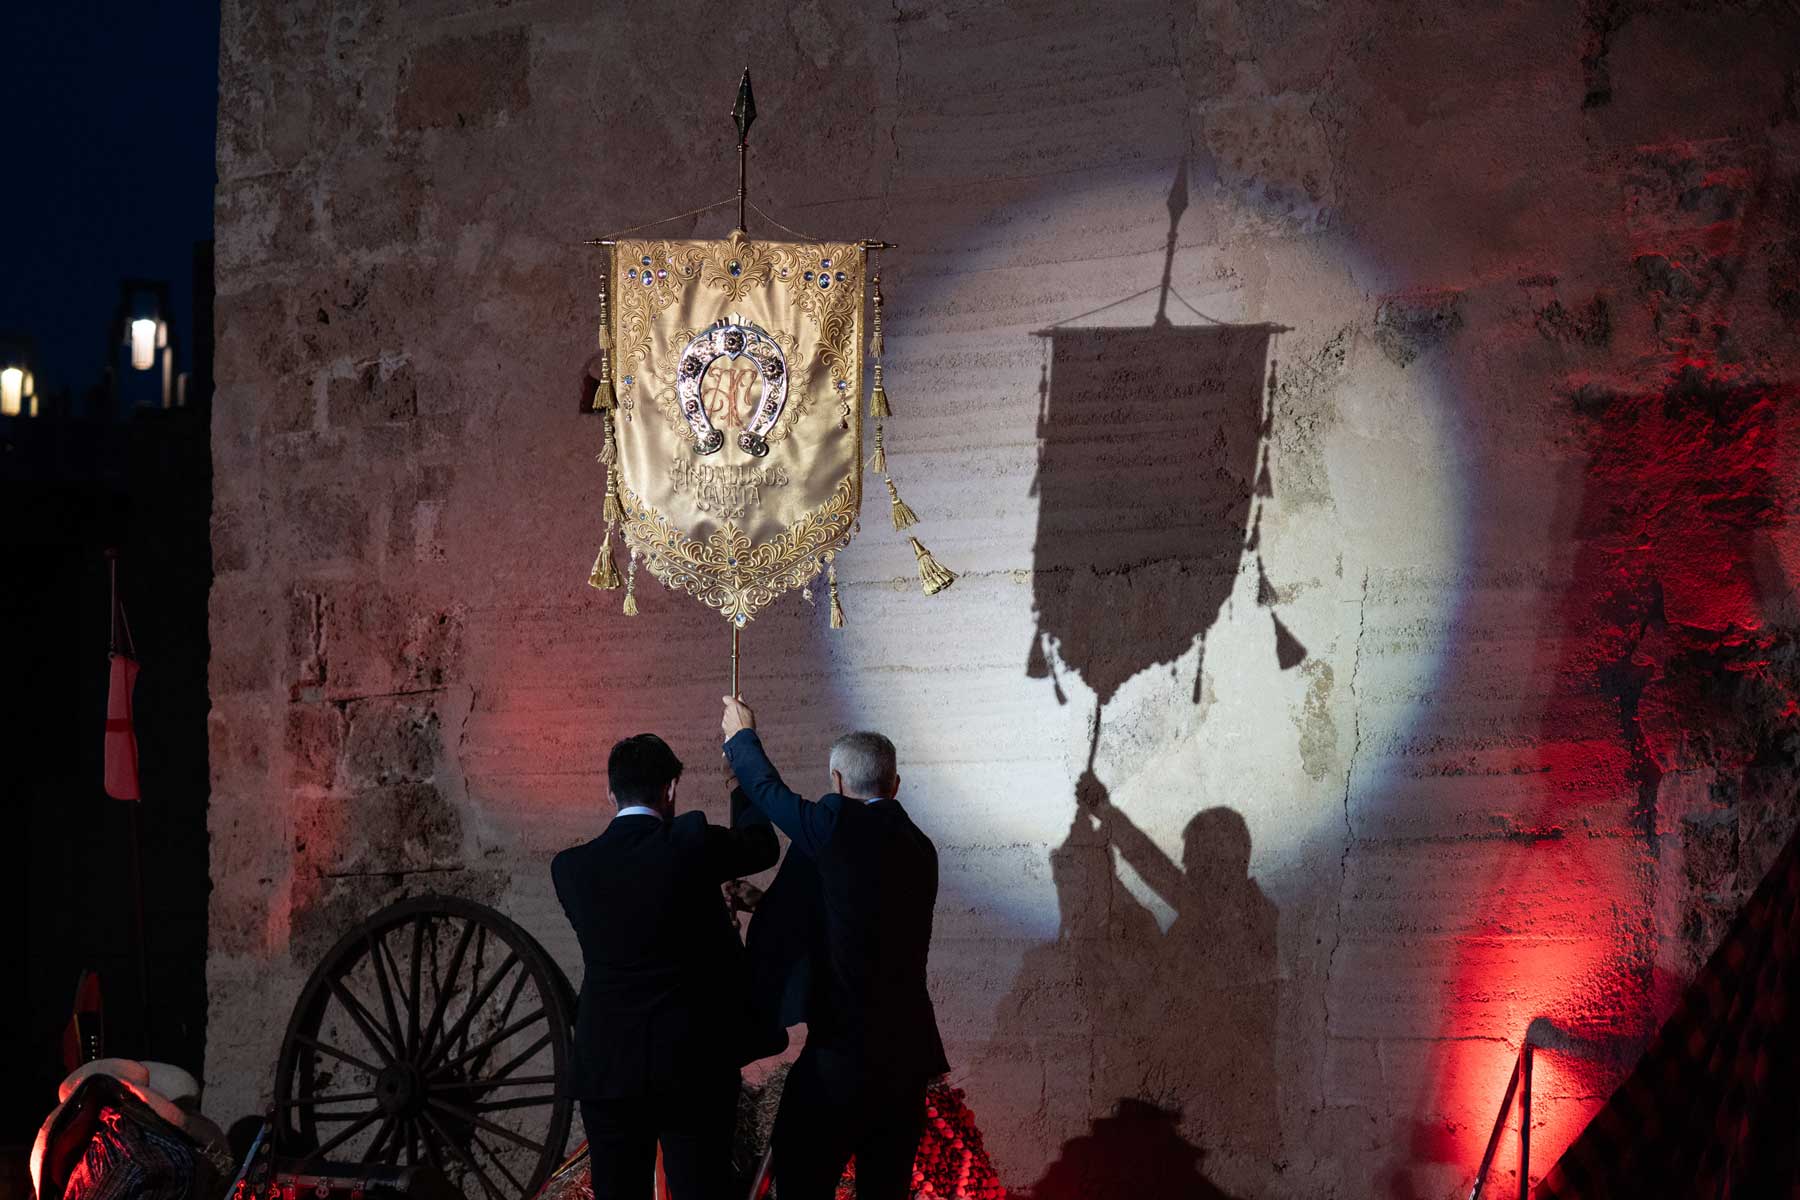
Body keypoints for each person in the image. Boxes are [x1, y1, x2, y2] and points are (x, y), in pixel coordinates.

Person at [721, 697, 948, 1200]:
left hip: (842, 1059)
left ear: (839, 784)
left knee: (802, 1181)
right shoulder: (919, 847)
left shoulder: (834, 824)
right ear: (896, 784)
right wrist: (767, 905)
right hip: (907, 1064)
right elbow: (861, 913)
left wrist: (741, 738)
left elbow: (769, 792)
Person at [551, 733, 779, 1200]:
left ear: (610, 794)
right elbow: (762, 847)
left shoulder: (571, 869)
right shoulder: (690, 842)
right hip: (691, 1065)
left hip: (608, 1067)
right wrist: (741, 784)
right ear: (671, 789)